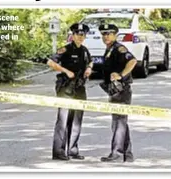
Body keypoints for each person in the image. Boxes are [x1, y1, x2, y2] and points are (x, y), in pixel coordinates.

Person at [46, 23, 93, 160]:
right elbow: (50, 62)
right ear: (73, 35)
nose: (80, 37)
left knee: (77, 119)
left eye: (83, 34)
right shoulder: (65, 49)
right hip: (65, 87)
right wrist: (66, 71)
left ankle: (72, 150)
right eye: (78, 34)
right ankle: (59, 151)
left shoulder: (84, 50)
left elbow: (90, 62)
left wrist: (89, 68)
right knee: (63, 120)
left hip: (79, 88)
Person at [98, 24, 137, 162]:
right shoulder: (109, 49)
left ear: (115, 35)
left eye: (109, 33)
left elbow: (132, 61)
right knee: (120, 122)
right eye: (103, 34)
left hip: (122, 90)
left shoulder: (119, 48)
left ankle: (117, 153)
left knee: (119, 122)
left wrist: (120, 75)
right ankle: (127, 154)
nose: (106, 36)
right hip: (115, 90)